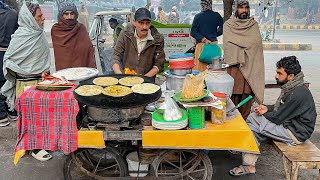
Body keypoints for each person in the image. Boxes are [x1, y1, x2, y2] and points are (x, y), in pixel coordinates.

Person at [229, 56, 317, 176]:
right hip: (289, 125)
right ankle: (248, 162)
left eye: (279, 73)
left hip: (295, 133)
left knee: (253, 119)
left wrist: (264, 112)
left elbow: (277, 118)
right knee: (253, 126)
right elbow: (280, 108)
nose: (276, 76)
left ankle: (248, 160)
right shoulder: (293, 87)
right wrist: (266, 108)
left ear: (291, 76)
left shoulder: (297, 93)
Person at [1, 2, 52, 161]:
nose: (43, 19)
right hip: (25, 85)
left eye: (42, 16)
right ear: (29, 19)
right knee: (31, 117)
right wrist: (29, 71)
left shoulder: (39, 35)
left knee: (41, 116)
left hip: (41, 83)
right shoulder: (20, 37)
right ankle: (34, 148)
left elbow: (43, 61)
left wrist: (46, 75)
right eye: (39, 17)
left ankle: (38, 143)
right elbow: (8, 62)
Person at [223, 0, 264, 119]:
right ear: (236, 8)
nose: (244, 10)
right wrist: (244, 50)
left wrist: (241, 49)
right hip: (234, 71)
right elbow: (228, 48)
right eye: (241, 7)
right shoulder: (228, 25)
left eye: (246, 7)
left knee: (246, 102)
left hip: (250, 70)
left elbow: (256, 46)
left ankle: (245, 126)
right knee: (231, 104)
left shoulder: (253, 25)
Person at [111, 8, 165, 77]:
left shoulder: (157, 40)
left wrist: (144, 78)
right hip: (126, 78)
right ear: (134, 22)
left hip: (147, 81)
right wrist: (120, 75)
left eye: (147, 23)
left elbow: (159, 64)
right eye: (141, 23)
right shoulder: (125, 34)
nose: (144, 27)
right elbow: (116, 56)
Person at [51, 1, 95, 71]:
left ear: (76, 14)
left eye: (72, 13)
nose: (69, 17)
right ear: (61, 15)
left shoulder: (81, 28)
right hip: (63, 70)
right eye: (66, 14)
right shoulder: (56, 30)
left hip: (81, 70)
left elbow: (89, 50)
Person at [0, 0, 18, 127]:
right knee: (10, 81)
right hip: (11, 53)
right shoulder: (13, 14)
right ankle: (12, 111)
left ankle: (1, 116)